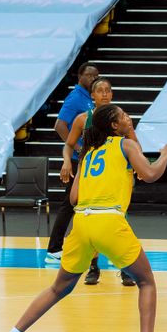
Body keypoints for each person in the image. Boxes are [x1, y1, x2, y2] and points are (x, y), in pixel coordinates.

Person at [0, 104, 167, 332]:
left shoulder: (89, 152)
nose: (128, 117)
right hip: (109, 222)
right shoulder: (126, 145)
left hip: (81, 224)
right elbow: (149, 174)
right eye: (123, 115)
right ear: (114, 126)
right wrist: (165, 155)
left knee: (58, 288)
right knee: (146, 282)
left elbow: (74, 196)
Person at [60, 77, 137, 287]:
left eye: (108, 90)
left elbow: (134, 144)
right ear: (92, 96)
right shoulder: (82, 119)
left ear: (111, 95)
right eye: (99, 90)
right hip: (92, 177)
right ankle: (93, 266)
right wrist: (68, 160)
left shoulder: (122, 120)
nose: (104, 93)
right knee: (89, 216)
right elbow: (68, 145)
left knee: (119, 219)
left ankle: (126, 268)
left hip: (115, 174)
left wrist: (138, 164)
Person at [45, 62, 99, 264]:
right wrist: (77, 148)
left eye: (97, 75)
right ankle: (54, 249)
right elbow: (59, 125)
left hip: (91, 160)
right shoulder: (75, 98)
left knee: (84, 204)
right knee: (70, 203)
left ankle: (92, 247)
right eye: (90, 75)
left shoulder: (90, 98)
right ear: (80, 77)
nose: (94, 78)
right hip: (78, 162)